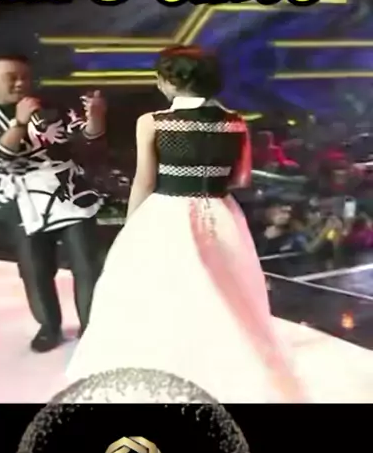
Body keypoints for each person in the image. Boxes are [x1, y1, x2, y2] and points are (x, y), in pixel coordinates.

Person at [66, 46, 373, 403]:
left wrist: (131, 228)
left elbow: (144, 181)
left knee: (159, 292)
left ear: (169, 81)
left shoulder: (153, 122)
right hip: (221, 213)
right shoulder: (235, 122)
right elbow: (241, 178)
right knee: (225, 292)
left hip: (166, 214)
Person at [0, 53, 106, 353]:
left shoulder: (52, 107)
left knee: (87, 264)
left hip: (68, 191)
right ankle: (49, 327)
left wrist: (96, 118)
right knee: (36, 270)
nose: (20, 83)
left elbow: (87, 140)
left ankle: (92, 327)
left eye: (25, 77)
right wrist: (19, 124)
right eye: (11, 77)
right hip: (20, 200)